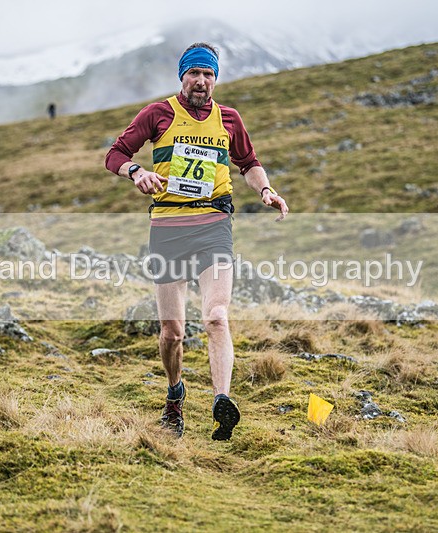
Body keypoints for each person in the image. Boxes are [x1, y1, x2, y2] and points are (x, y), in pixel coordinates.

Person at [105, 42, 289, 440]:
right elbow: (115, 154)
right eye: (195, 73)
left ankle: (222, 400)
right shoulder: (158, 114)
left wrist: (265, 190)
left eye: (209, 74)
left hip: (213, 224)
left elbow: (249, 163)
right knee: (172, 331)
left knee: (216, 316)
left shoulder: (229, 119)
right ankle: (175, 395)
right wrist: (136, 172)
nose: (202, 81)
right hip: (169, 226)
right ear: (182, 76)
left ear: (215, 79)